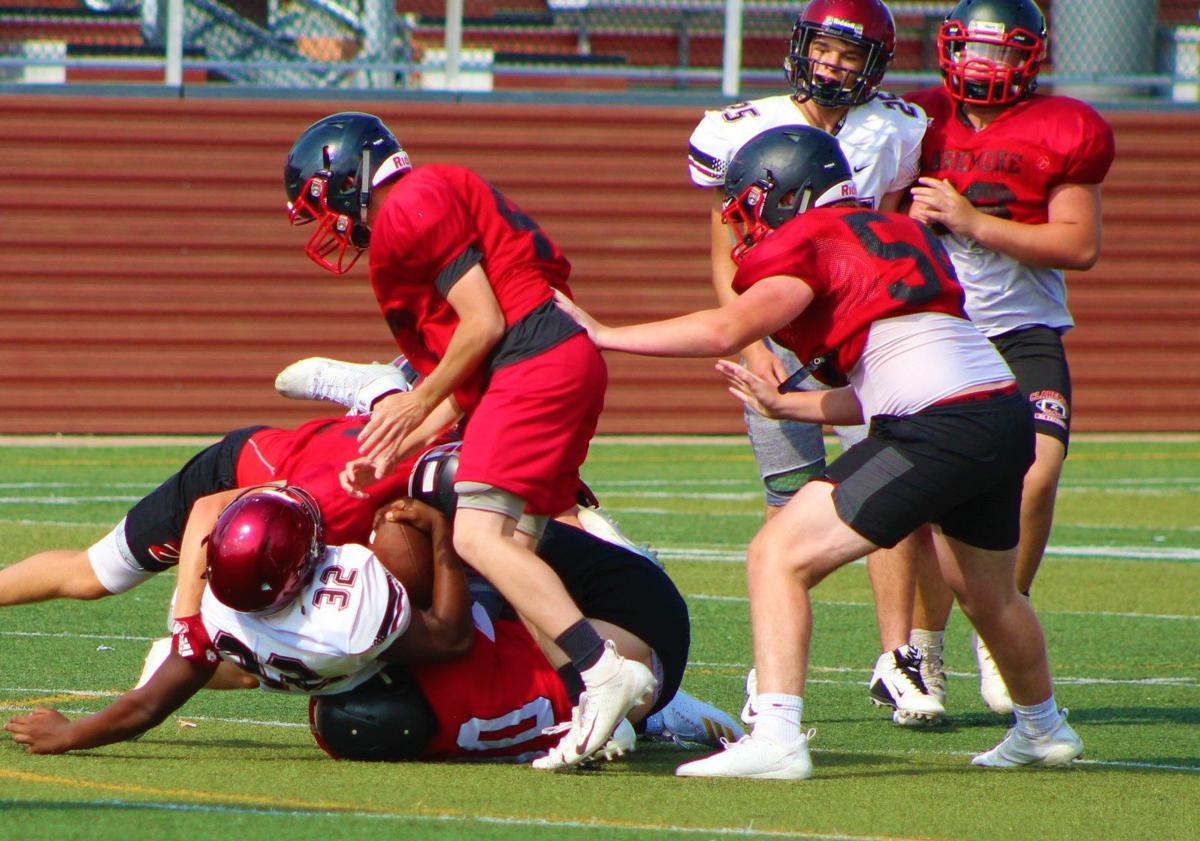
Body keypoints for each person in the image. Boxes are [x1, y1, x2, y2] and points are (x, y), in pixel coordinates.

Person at [556, 124, 1084, 779]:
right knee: (989, 594)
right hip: (999, 411)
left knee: (777, 554)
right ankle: (1043, 727)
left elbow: (729, 327)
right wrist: (789, 406)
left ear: (787, 195)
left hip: (939, 423)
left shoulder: (813, 238)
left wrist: (605, 334)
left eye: (751, 205)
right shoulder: (899, 234)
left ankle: (777, 733)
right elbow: (890, 381)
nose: (746, 225)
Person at [284, 112, 654, 769]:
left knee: (476, 538)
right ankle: (596, 704)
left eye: (323, 203)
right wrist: (390, 449)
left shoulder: (409, 204)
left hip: (531, 361)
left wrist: (412, 402)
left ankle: (604, 670)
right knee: (514, 554)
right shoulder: (426, 203)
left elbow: (481, 326)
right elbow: (464, 385)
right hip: (550, 362)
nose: (328, 224)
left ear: (348, 180)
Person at [686, 0, 941, 724]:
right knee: (787, 495)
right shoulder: (740, 129)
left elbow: (887, 234)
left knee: (891, 495)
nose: (832, 64)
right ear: (800, 48)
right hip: (776, 337)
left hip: (861, 341)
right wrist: (747, 342)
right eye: (824, 49)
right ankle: (771, 664)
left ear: (874, 66)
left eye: (849, 54)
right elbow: (724, 251)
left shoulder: (893, 130)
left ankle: (898, 656)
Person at [902, 0, 1115, 715]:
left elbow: (1078, 246)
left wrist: (973, 222)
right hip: (938, 328)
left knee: (1038, 471)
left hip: (1023, 329)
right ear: (949, 49)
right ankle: (923, 650)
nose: (982, 65)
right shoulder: (918, 118)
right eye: (973, 49)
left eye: (998, 51)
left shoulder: (1062, 128)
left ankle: (1000, 623)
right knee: (929, 497)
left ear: (1027, 57)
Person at [4, 493, 475, 754]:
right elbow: (452, 638)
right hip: (372, 663)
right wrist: (441, 538)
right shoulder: (348, 616)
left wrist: (71, 734)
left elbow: (144, 708)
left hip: (285, 662)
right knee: (401, 530)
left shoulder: (221, 618)